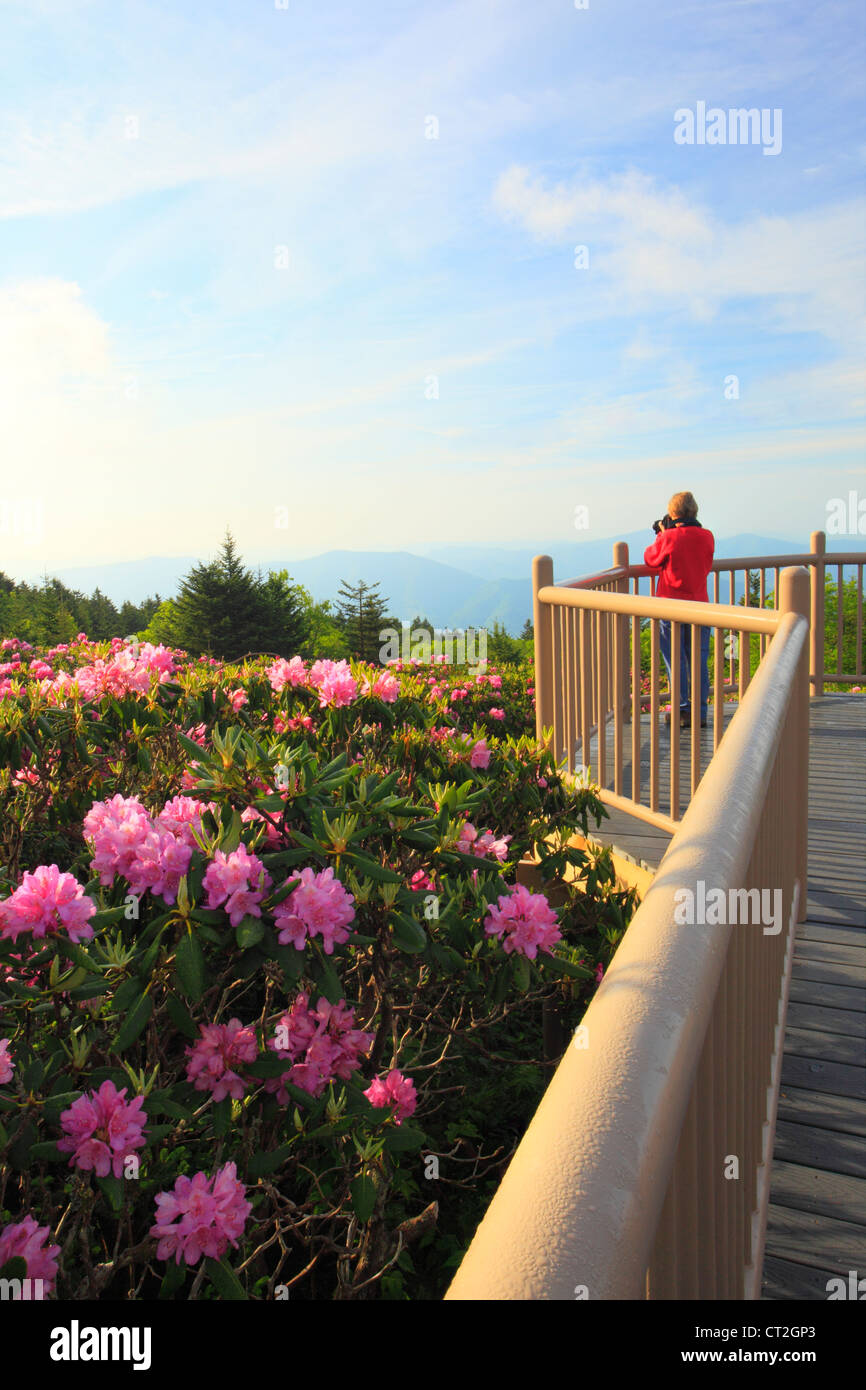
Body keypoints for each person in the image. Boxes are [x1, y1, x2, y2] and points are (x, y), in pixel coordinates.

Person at [643, 491, 715, 728]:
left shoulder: (669, 538)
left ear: (673, 513)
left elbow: (650, 559)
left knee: (675, 660)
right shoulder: (707, 536)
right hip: (700, 607)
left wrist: (662, 536)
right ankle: (701, 712)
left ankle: (683, 710)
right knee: (699, 659)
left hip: (671, 607)